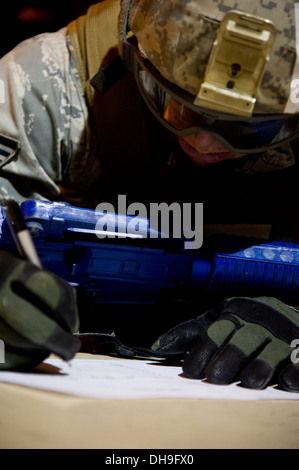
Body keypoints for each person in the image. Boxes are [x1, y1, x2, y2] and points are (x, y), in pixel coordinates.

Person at [0, 0, 298, 391]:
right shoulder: (44, 84)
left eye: (249, 127)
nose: (204, 143)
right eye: (176, 102)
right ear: (134, 54)